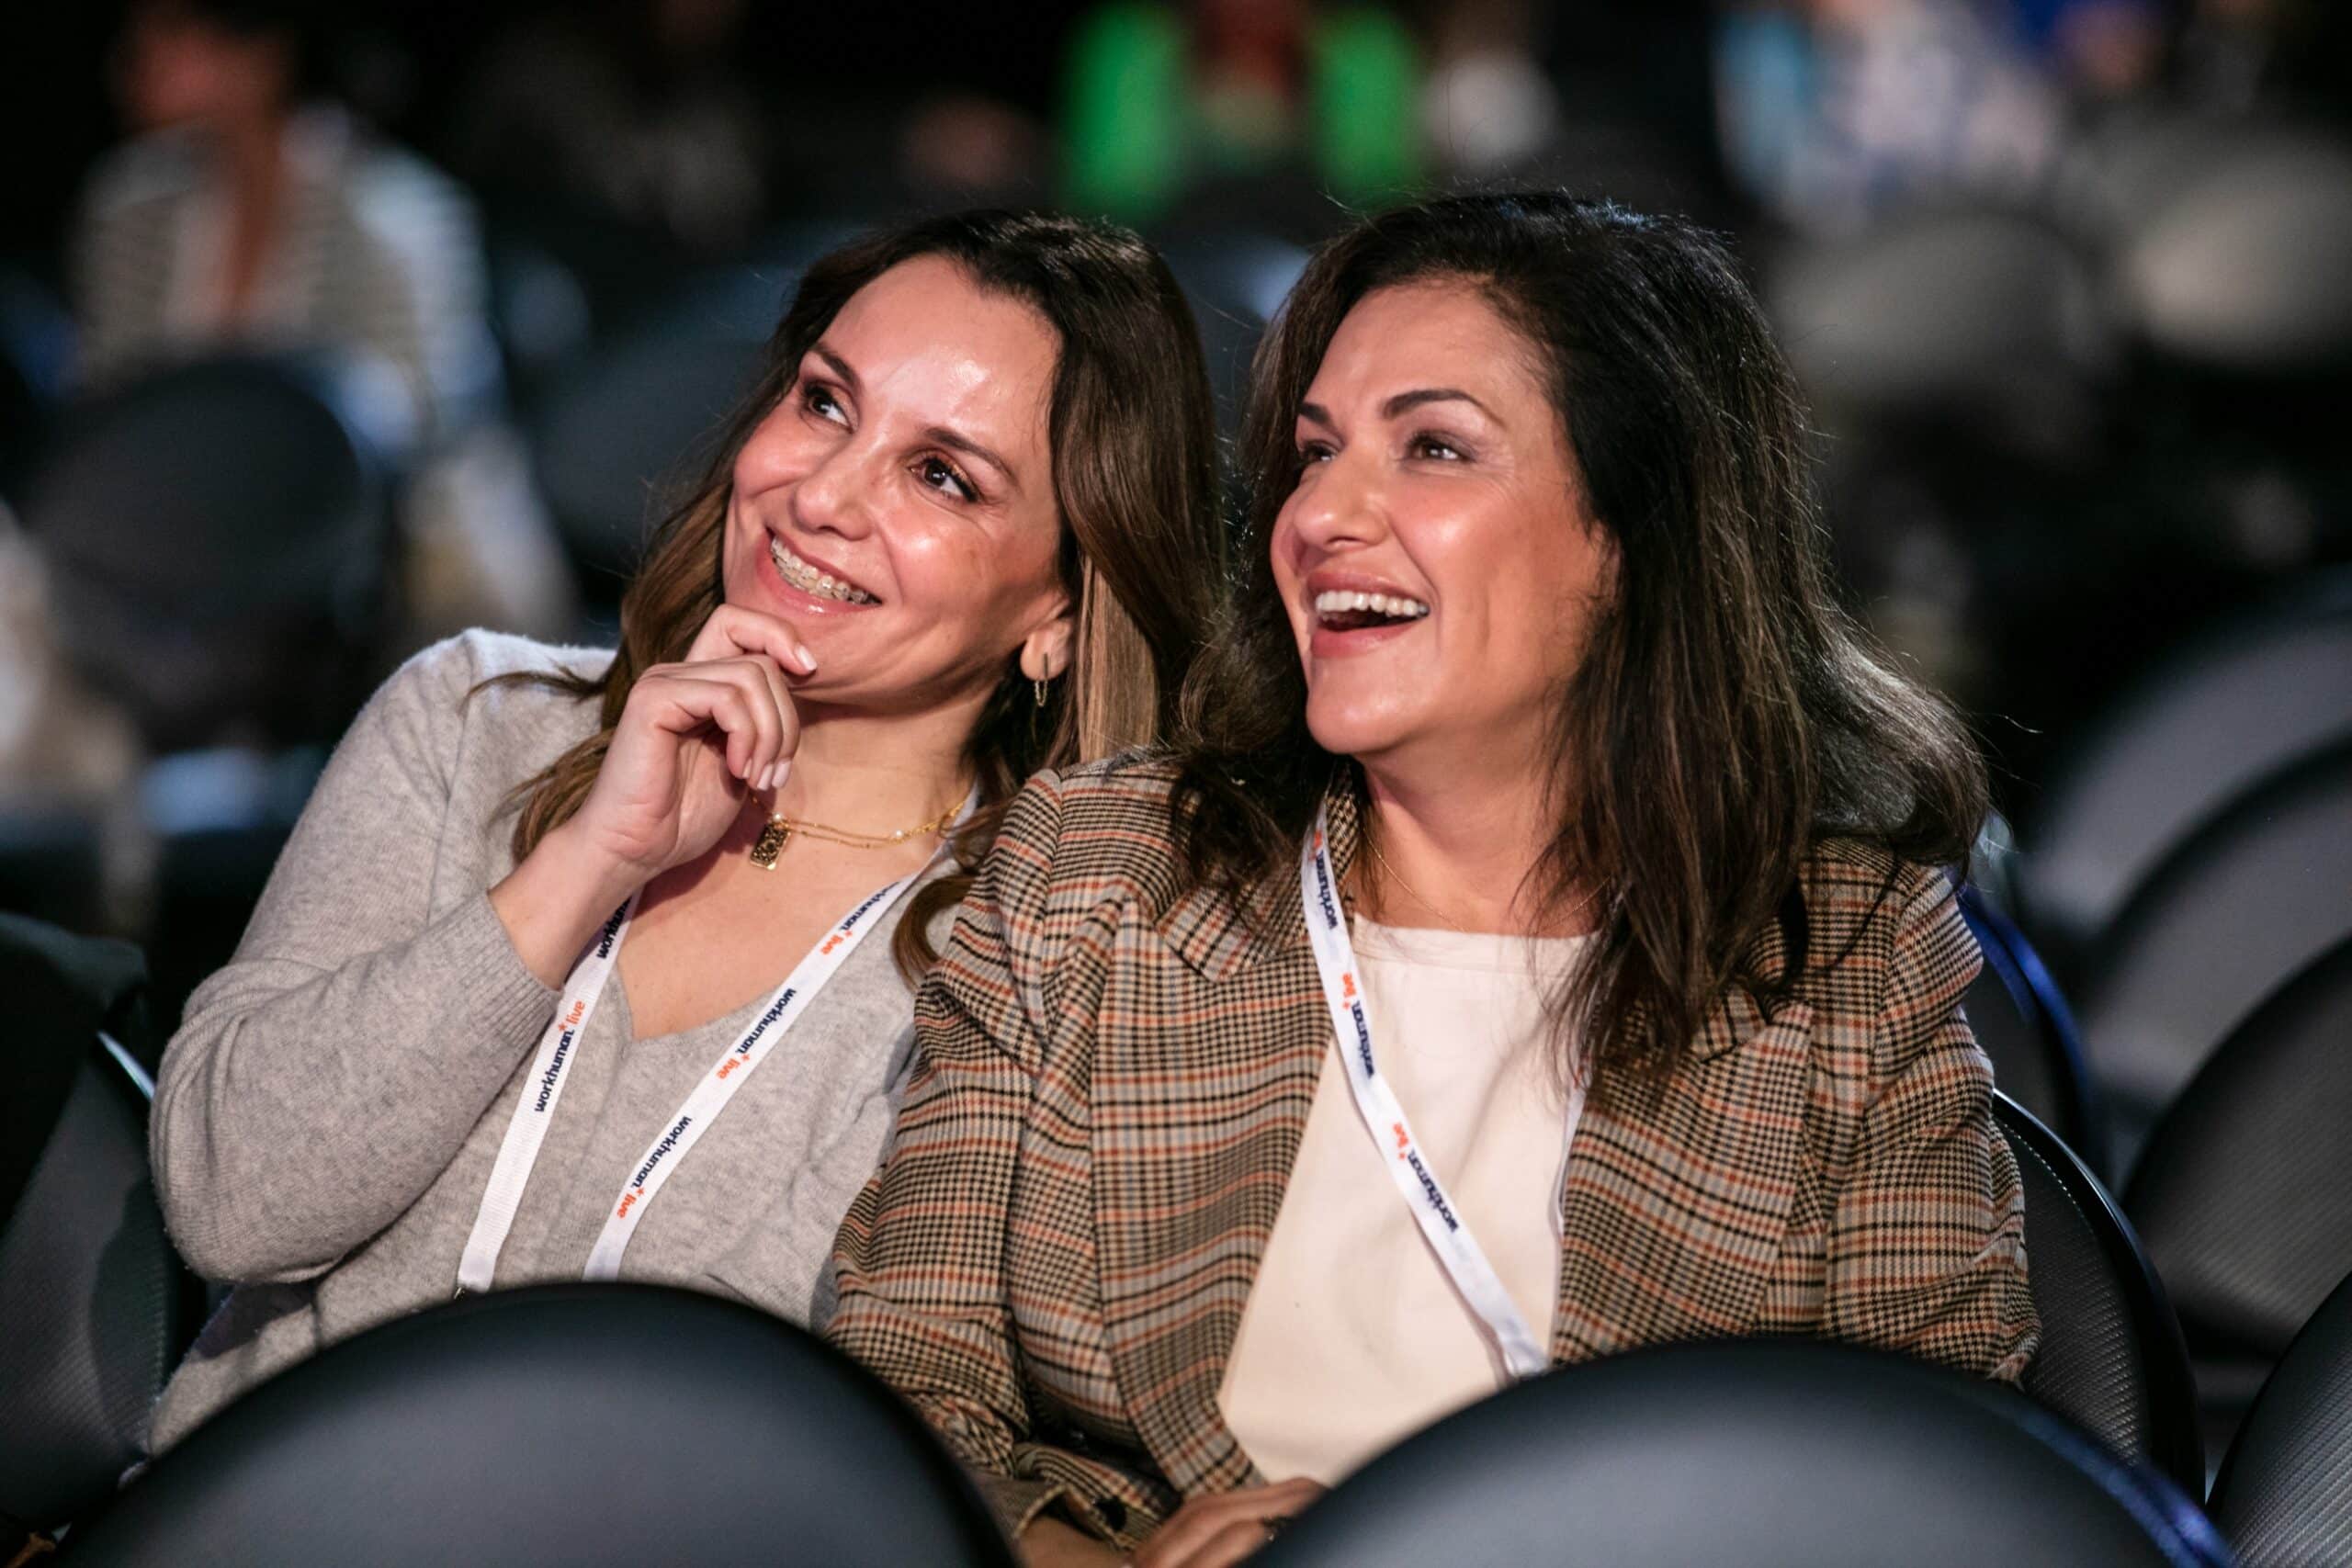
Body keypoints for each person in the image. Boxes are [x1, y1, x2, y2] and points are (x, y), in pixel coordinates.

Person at [829, 191, 2038, 1567]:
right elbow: (898, 1398)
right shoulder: (1096, 872)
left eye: (1434, 448)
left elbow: (1935, 1502)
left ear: (1631, 539)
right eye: (1314, 451)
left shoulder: (1847, 963)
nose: (1322, 514)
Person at [142, 209, 1224, 1456]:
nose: (820, 495)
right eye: (825, 402)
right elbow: (231, 1199)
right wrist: (589, 859)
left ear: (1061, 609)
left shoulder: (1028, 956)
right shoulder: (475, 719)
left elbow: (818, 1446)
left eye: (942, 475)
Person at [73, 0, 576, 643]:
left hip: (375, 564)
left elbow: (413, 436)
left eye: (171, 32)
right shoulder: (127, 207)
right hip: (173, 547)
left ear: (259, 56)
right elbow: (106, 407)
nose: (133, 59)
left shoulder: (397, 217)